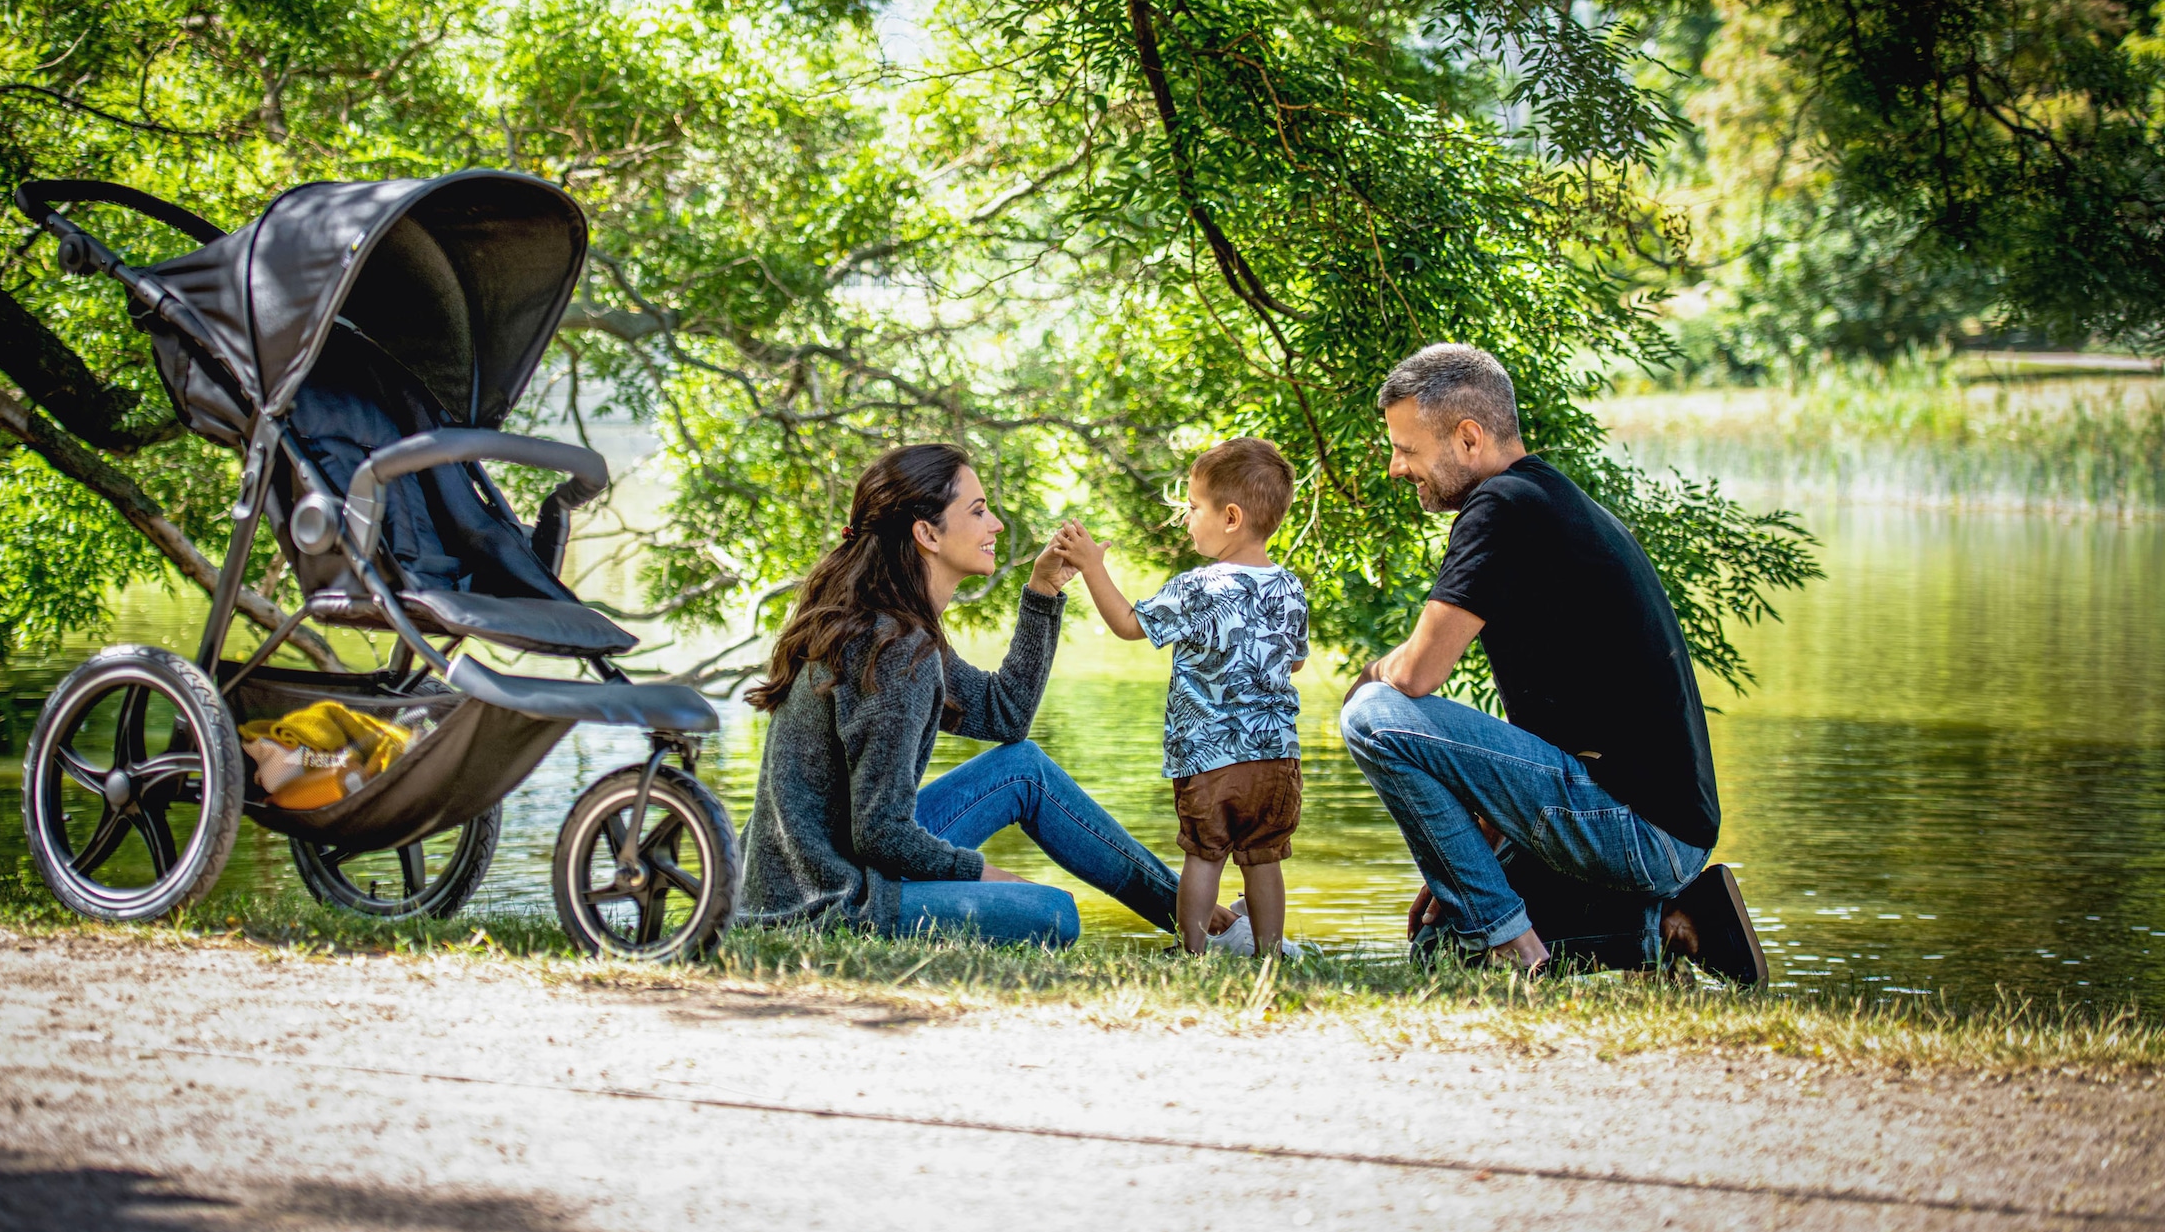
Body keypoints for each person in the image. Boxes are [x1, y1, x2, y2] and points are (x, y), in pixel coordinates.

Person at [1339, 344, 1769, 983]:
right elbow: (1546, 734)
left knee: (1372, 715)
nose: (1398, 469)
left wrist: (1364, 678)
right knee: (1440, 948)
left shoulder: (1501, 508)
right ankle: (1673, 926)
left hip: (1636, 826)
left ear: (1467, 437)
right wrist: (1468, 861)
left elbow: (1415, 675)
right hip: (1659, 833)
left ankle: (1515, 947)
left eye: (1406, 449)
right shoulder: (1547, 503)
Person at [738, 443, 1228, 946]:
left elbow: (1004, 716)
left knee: (1022, 767)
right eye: (978, 511)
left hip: (843, 860)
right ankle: (1202, 925)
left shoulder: (895, 627)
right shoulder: (890, 648)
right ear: (927, 533)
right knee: (1053, 913)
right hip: (824, 901)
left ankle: (1191, 917)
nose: (995, 525)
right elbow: (880, 832)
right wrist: (984, 874)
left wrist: (1043, 592)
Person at [1055, 437, 1309, 958]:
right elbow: (1296, 660)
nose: (1186, 519)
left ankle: (1191, 951)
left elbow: (1129, 625)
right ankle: (1270, 954)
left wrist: (1091, 567)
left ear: (1231, 517)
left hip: (1210, 760)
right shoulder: (1290, 587)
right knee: (1264, 859)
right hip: (1276, 761)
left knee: (1204, 856)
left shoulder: (1197, 587)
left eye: (1194, 508)